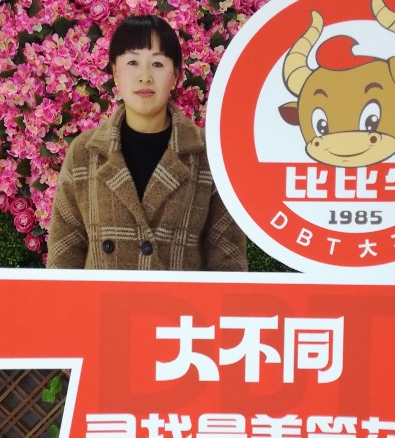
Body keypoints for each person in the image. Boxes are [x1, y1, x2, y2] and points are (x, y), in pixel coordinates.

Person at [46, 15, 247, 271]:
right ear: (115, 72)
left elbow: (228, 261)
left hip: (178, 298)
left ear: (175, 75)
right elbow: (64, 255)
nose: (145, 76)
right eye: (132, 62)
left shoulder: (208, 155)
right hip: (103, 298)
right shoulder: (85, 152)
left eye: (158, 64)